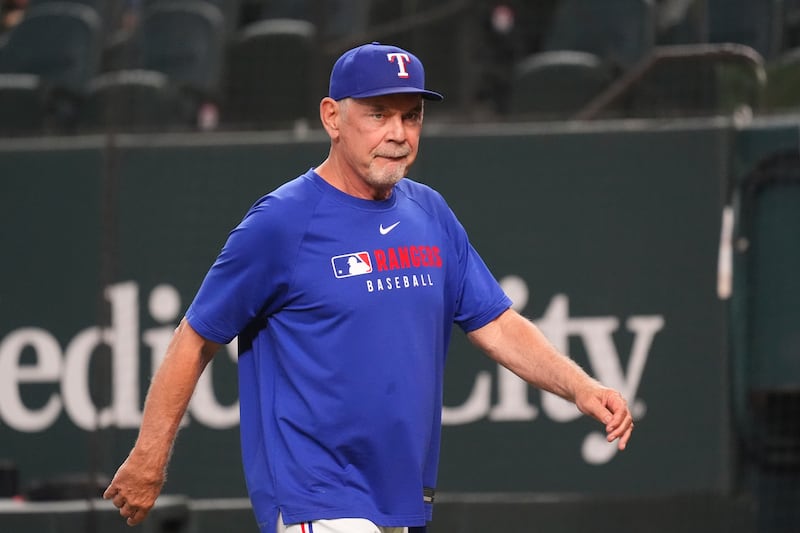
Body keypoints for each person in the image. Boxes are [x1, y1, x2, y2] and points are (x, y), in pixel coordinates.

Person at [103, 42, 634, 533]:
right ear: (333, 117)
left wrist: (581, 388)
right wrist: (149, 456)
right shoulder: (282, 222)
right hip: (319, 496)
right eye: (378, 114)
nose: (398, 133)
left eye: (411, 116)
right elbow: (196, 337)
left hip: (400, 495)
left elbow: (496, 324)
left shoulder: (431, 212)